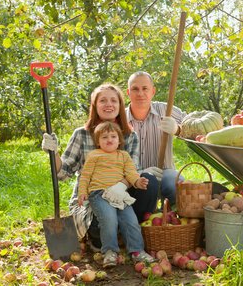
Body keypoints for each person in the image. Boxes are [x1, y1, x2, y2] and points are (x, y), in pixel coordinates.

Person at [41, 83, 159, 253]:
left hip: (122, 197)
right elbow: (63, 173)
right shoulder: (81, 134)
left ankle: (128, 234)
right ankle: (102, 237)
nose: (108, 104)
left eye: (113, 100)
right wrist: (54, 153)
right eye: (103, 100)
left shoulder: (129, 135)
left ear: (120, 106)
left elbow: (134, 171)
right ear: (95, 106)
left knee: (150, 182)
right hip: (93, 199)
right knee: (100, 221)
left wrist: (119, 187)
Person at [77, 121, 153, 267]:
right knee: (109, 219)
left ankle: (137, 251)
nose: (109, 140)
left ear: (119, 140)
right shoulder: (94, 155)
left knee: (130, 221)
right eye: (104, 137)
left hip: (119, 195)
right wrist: (82, 192)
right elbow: (85, 176)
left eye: (113, 136)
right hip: (99, 194)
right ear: (98, 141)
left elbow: (131, 173)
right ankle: (110, 251)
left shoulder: (123, 156)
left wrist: (138, 182)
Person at [126, 71, 187, 206]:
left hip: (164, 171)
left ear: (153, 91)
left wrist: (178, 129)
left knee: (175, 186)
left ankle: (177, 222)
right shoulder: (120, 119)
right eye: (135, 89)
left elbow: (195, 127)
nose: (140, 93)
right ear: (128, 92)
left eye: (145, 88)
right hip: (132, 175)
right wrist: (137, 174)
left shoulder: (166, 110)